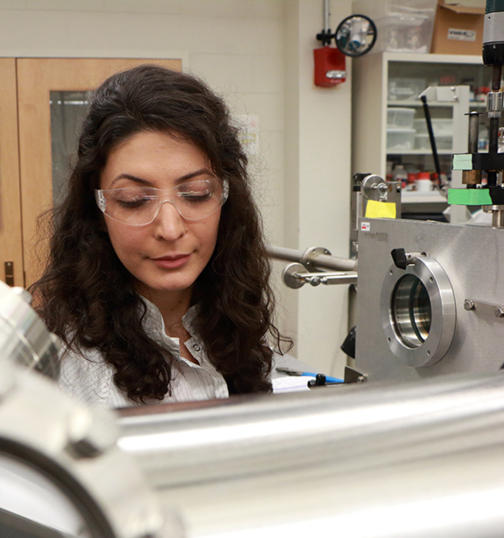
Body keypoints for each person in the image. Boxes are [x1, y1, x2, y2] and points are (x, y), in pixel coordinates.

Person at [31, 64, 304, 407]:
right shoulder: (63, 376)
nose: (170, 229)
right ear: (97, 210)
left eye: (196, 194)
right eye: (134, 200)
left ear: (225, 197)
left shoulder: (232, 320)